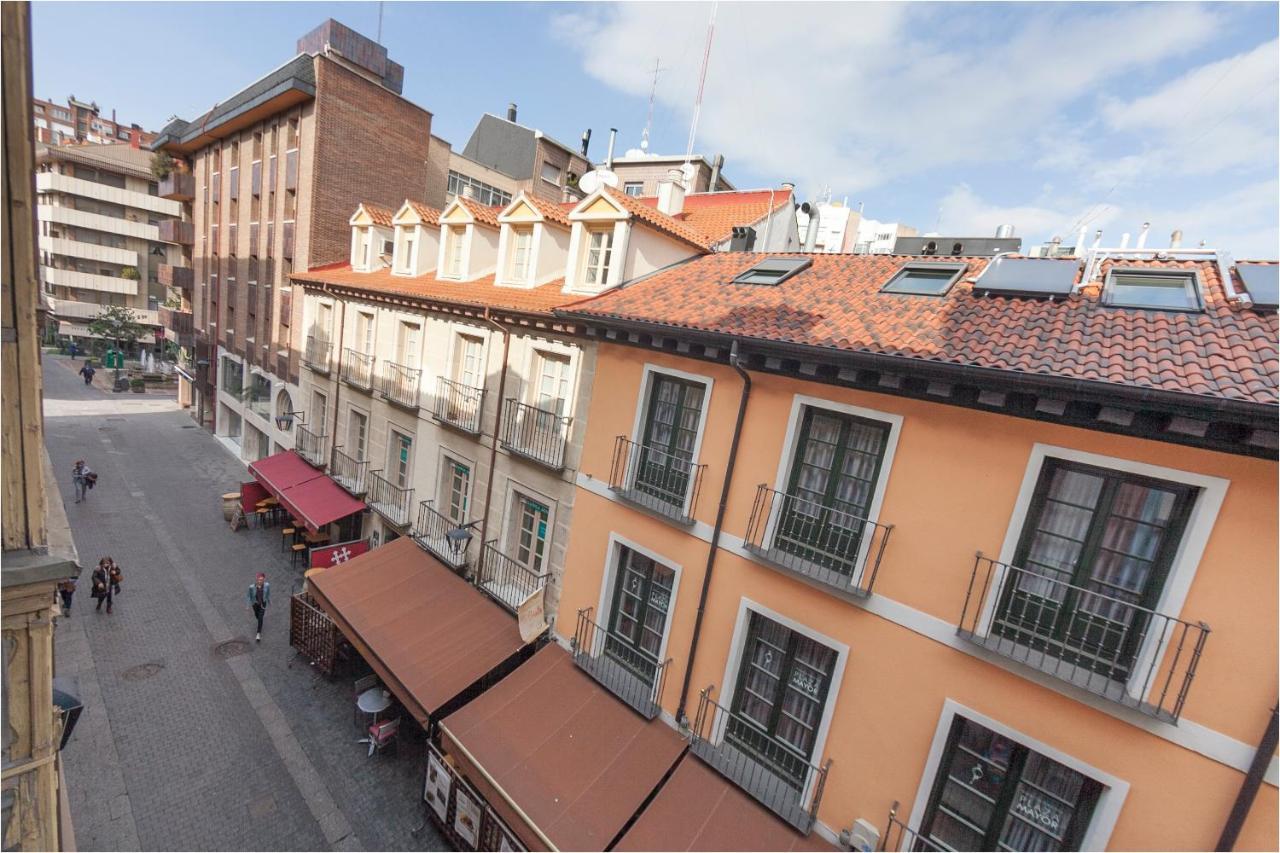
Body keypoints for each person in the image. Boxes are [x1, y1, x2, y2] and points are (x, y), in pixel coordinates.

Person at [246, 573, 270, 642]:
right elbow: (248, 596)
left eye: (261, 580)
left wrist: (268, 600)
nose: (260, 581)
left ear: (264, 580)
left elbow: (268, 593)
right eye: (259, 580)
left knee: (260, 617)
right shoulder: (251, 587)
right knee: (256, 615)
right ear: (256, 580)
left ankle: (258, 633)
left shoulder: (267, 585)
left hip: (263, 604)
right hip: (255, 604)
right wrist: (247, 606)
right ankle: (260, 620)